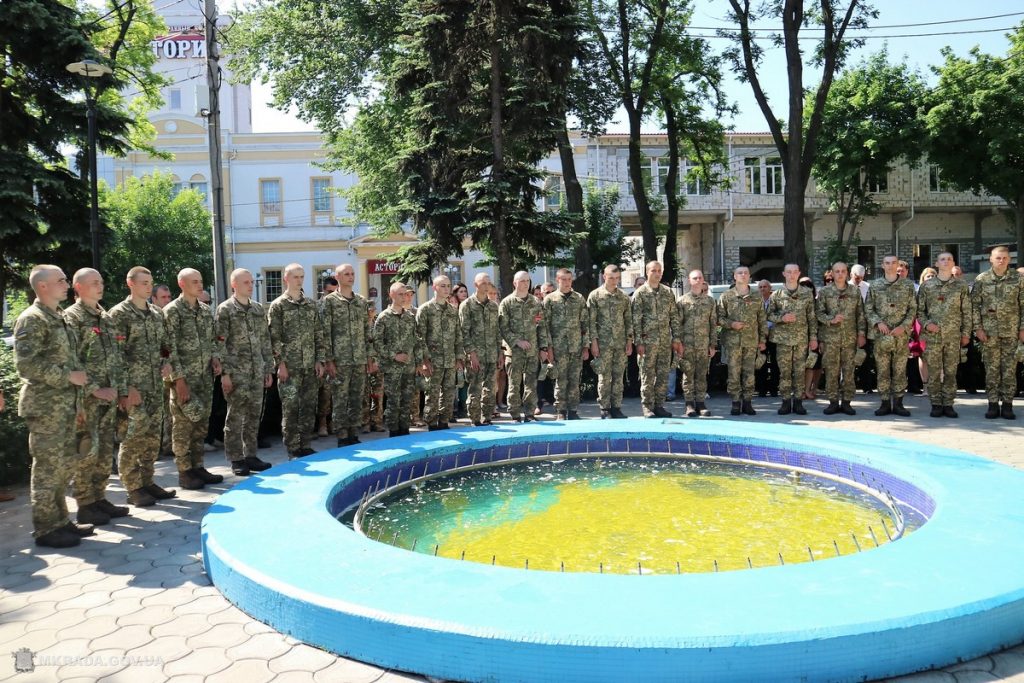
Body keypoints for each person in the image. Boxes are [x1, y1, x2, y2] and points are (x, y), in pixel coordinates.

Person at [14, 265, 92, 547]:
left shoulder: (58, 317)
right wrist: (68, 376)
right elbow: (26, 365)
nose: (66, 284)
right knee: (48, 469)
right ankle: (46, 529)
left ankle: (61, 521)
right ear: (42, 286)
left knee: (63, 467)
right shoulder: (32, 319)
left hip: (66, 406)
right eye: (60, 280)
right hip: (46, 408)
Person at [64, 268, 129, 525]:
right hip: (87, 399)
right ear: (78, 287)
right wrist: (94, 389)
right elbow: (71, 361)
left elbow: (117, 358)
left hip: (110, 397)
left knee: (104, 450)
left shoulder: (106, 316)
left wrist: (122, 390)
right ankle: (85, 503)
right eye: (93, 283)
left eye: (101, 281)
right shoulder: (72, 318)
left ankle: (99, 498)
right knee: (87, 451)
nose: (99, 286)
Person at [108, 267, 175, 507]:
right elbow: (115, 355)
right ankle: (133, 487)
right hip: (133, 388)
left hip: (154, 386)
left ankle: (147, 482)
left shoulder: (157, 314)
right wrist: (126, 388)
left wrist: (166, 362)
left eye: (151, 282)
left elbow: (165, 346)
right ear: (131, 284)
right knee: (132, 438)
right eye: (144, 282)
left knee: (151, 438)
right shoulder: (119, 314)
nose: (149, 287)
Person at [163, 268, 223, 489]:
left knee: (200, 424)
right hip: (184, 380)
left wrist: (215, 358)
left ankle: (198, 466)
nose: (200, 286)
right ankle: (184, 472)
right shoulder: (172, 312)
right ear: (182, 284)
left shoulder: (206, 311)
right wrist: (178, 379)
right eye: (194, 282)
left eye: (201, 281)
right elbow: (169, 349)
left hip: (204, 378)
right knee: (183, 426)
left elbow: (213, 340)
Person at [215, 269, 274, 475]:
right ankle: (236, 458)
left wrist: (268, 368)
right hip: (236, 372)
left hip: (257, 370)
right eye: (246, 282)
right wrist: (225, 373)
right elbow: (220, 343)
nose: (250, 285)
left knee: (253, 415)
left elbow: (265, 341)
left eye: (251, 282)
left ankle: (251, 454)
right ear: (234, 285)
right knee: (235, 417)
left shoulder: (257, 309)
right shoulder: (225, 310)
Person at [268, 263, 326, 457]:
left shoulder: (311, 305)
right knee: (291, 408)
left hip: (309, 365)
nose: (299, 280)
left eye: (302, 277)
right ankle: (292, 446)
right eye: (295, 277)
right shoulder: (278, 306)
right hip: (290, 368)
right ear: (286, 279)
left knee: (309, 407)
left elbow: (318, 334)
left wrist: (320, 360)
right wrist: (281, 364)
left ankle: (306, 443)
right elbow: (274, 337)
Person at [321, 263, 375, 445]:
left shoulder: (361, 301)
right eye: (346, 274)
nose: (351, 277)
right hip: (340, 359)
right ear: (337, 277)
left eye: (352, 274)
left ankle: (353, 432)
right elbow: (325, 332)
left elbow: (366, 331)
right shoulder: (329, 302)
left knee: (356, 398)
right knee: (340, 399)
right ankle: (342, 435)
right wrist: (329, 360)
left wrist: (369, 356)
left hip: (359, 358)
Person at [971, 245, 1024, 419]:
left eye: (1005, 258)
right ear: (991, 260)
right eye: (998, 258)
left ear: (1009, 259)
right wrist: (977, 328)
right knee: (992, 370)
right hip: (988, 333)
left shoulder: (1018, 278)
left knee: (1009, 370)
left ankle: (1008, 405)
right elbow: (975, 306)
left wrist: (1022, 328)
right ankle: (993, 404)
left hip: (1012, 331)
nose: (1001, 261)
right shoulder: (982, 279)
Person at [917, 253, 970, 418]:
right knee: (933, 372)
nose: (946, 261)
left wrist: (966, 333)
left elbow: (967, 312)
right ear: (936, 263)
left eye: (949, 259)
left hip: (953, 336)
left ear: (953, 263)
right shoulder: (927, 286)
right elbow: (919, 311)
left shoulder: (961, 286)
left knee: (950, 372)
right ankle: (936, 404)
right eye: (942, 259)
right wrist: (927, 324)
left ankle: (948, 404)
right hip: (933, 336)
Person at [866, 255, 917, 416]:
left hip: (900, 336)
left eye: (893, 263)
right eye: (887, 263)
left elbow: (913, 308)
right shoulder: (875, 285)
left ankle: (899, 403)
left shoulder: (907, 285)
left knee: (900, 370)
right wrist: (878, 323)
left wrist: (904, 326)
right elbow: (868, 308)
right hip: (882, 335)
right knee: (882, 370)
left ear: (898, 265)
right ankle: (885, 403)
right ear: (882, 265)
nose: (890, 265)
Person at [374, 282, 428, 436]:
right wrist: (394, 355)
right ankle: (394, 431)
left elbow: (417, 341)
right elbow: (377, 343)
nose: (404, 297)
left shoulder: (410, 317)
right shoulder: (383, 317)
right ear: (391, 295)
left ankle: (405, 430)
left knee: (407, 400)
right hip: (392, 368)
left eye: (405, 294)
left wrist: (418, 363)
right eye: (400, 294)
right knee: (393, 401)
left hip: (409, 367)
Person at [631, 261, 683, 418]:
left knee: (663, 374)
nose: (657, 273)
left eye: (660, 270)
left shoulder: (668, 292)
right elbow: (635, 320)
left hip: (665, 341)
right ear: (647, 272)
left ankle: (659, 405)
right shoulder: (640, 293)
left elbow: (674, 316)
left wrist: (676, 338)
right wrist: (638, 342)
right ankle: (647, 406)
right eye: (654, 270)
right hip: (648, 342)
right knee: (647, 375)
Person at [499, 271, 550, 422]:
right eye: (522, 281)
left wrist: (543, 348)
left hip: (532, 351)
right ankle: (515, 414)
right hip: (514, 352)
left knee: (531, 384)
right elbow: (503, 328)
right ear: (515, 283)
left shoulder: (535, 302)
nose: (525, 284)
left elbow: (541, 327)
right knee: (514, 385)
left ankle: (529, 413)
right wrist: (517, 341)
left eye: (527, 281)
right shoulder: (507, 303)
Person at [815, 262, 866, 415]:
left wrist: (861, 334)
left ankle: (846, 402)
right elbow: (818, 313)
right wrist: (831, 319)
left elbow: (861, 315)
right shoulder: (824, 292)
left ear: (847, 273)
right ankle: (832, 402)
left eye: (843, 271)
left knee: (849, 371)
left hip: (850, 338)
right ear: (832, 273)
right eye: (837, 271)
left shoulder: (854, 292)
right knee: (831, 371)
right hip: (830, 339)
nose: (840, 274)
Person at [767, 265, 818, 415]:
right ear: (783, 274)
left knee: (800, 371)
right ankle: (785, 401)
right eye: (788, 272)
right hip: (783, 340)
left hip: (801, 339)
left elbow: (812, 318)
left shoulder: (807, 293)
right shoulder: (776, 295)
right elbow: (769, 314)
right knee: (785, 372)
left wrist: (813, 338)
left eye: (795, 272)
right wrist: (781, 318)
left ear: (799, 273)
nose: (792, 275)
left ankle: (798, 402)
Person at [718, 265, 767, 415]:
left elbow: (762, 320)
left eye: (746, 273)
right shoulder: (726, 296)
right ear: (734, 276)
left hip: (751, 341)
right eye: (740, 273)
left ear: (749, 276)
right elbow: (718, 318)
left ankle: (748, 402)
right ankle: (735, 402)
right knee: (733, 373)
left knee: (749, 373)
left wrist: (763, 339)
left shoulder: (756, 297)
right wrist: (731, 324)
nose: (743, 275)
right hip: (733, 342)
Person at [587, 264, 634, 419]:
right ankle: (605, 408)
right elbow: (591, 322)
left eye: (617, 278)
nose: (614, 281)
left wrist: (629, 341)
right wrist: (593, 342)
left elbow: (628, 320)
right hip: (603, 344)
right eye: (611, 277)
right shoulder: (595, 296)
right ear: (604, 276)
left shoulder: (623, 297)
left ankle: (616, 407)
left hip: (620, 344)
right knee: (604, 377)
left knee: (618, 376)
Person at [417, 276, 463, 430]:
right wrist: (424, 359)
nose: (446, 289)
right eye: (443, 286)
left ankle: (444, 421)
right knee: (433, 394)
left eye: (448, 286)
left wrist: (459, 357)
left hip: (449, 359)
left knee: (449, 393)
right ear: (434, 287)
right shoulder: (426, 309)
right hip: (433, 360)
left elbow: (458, 335)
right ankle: (431, 423)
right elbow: (419, 336)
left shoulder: (452, 310)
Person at [544, 268, 589, 420]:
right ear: (558, 280)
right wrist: (549, 348)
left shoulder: (579, 298)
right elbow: (545, 327)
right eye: (563, 279)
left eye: (569, 279)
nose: (567, 282)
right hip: (558, 348)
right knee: (560, 380)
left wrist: (585, 346)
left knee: (575, 381)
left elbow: (585, 324)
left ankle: (573, 411)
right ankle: (561, 411)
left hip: (576, 347)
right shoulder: (550, 299)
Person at [460, 272, 503, 426]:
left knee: (491, 389)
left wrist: (500, 352)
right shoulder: (467, 305)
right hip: (476, 355)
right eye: (482, 283)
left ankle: (487, 417)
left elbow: (497, 331)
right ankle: (475, 419)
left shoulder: (493, 306)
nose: (486, 285)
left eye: (488, 282)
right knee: (475, 389)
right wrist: (471, 354)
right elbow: (464, 332)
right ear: (475, 284)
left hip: (492, 354)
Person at [676, 271, 717, 417]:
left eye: (700, 278)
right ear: (689, 280)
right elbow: (677, 325)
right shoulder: (682, 301)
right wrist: (678, 344)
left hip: (703, 345)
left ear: (703, 280)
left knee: (701, 375)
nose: (698, 280)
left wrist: (713, 345)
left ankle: (701, 403)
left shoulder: (710, 301)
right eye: (695, 278)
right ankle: (689, 405)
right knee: (688, 375)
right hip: (687, 345)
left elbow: (713, 324)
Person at [316, 276, 339, 437]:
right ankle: (322, 423)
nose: (332, 294)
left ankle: (334, 423)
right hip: (323, 355)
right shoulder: (316, 307)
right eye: (330, 291)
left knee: (337, 392)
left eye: (335, 291)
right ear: (324, 290)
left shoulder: (339, 305)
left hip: (339, 354)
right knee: (324, 392)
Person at [910, 268, 938, 394]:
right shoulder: (918, 292)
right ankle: (926, 386)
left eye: (933, 276)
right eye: (928, 276)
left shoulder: (942, 291)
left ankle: (937, 386)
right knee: (923, 356)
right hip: (921, 326)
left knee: (938, 357)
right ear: (923, 278)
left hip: (939, 327)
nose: (931, 278)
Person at [798, 276, 823, 401]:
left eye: (808, 285)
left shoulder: (817, 302)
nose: (806, 287)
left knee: (813, 365)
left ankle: (809, 389)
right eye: (803, 284)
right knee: (800, 365)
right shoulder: (796, 300)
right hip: (798, 337)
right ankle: (800, 390)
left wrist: (820, 340)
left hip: (815, 337)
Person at [754, 280, 779, 397]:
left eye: (765, 287)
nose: (762, 289)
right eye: (760, 287)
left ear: (770, 288)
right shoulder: (755, 302)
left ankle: (774, 388)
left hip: (774, 336)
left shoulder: (776, 301)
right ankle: (762, 389)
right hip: (760, 337)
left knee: (775, 363)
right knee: (761, 363)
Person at [361, 305, 384, 432]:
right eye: (368, 309)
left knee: (378, 394)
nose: (371, 311)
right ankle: (365, 422)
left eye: (372, 309)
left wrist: (377, 361)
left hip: (377, 363)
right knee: (365, 395)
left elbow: (381, 343)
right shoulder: (361, 324)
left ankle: (377, 421)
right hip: (363, 363)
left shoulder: (378, 323)